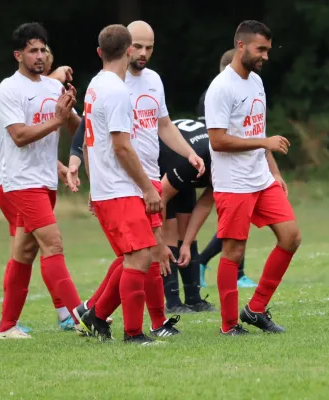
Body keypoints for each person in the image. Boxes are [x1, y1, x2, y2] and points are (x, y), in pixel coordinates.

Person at [68, 21, 205, 339]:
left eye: (150, 47)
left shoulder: (106, 84)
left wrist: (188, 154)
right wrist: (135, 185)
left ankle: (109, 316)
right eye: (138, 46)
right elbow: (116, 144)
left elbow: (163, 124)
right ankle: (126, 327)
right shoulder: (115, 89)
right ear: (128, 48)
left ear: (101, 51)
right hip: (127, 184)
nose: (143, 53)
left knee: (146, 254)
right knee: (142, 255)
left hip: (138, 181)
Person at [205, 20, 301, 336]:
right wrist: (264, 143)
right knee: (233, 253)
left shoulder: (256, 82)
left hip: (261, 179)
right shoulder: (221, 87)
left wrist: (274, 172)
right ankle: (229, 325)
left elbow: (257, 132)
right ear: (241, 46)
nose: (266, 56)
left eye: (268, 50)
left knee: (291, 237)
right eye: (261, 49)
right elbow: (218, 140)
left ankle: (255, 310)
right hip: (233, 184)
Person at [0, 22, 82, 339]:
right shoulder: (9, 89)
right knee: (53, 243)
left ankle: (6, 327)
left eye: (43, 49)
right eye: (33, 50)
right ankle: (79, 315)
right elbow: (19, 136)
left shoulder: (52, 88)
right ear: (18, 55)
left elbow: (76, 127)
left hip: (44, 180)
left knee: (25, 252)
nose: (40, 55)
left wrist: (73, 123)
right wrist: (58, 119)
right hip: (18, 181)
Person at [197, 48, 257, 289]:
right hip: (222, 165)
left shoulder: (246, 89)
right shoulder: (214, 93)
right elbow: (210, 137)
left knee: (238, 222)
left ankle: (236, 271)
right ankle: (207, 263)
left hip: (243, 165)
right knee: (233, 224)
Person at [158, 118, 216, 313]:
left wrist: (187, 244)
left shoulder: (227, 165)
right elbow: (161, 197)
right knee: (170, 233)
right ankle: (173, 302)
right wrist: (159, 241)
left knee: (186, 233)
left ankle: (194, 299)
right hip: (166, 165)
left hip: (188, 168)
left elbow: (206, 203)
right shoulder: (193, 162)